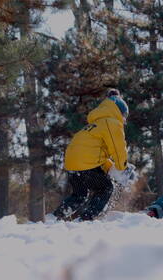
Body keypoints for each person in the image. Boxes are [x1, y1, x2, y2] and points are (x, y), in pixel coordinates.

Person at [53, 89, 136, 221]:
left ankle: (56, 217)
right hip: (86, 164)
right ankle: (87, 219)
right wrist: (122, 168)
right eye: (124, 116)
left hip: (72, 163)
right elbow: (118, 150)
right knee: (106, 188)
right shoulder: (112, 123)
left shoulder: (95, 124)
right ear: (120, 112)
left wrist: (111, 168)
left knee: (80, 195)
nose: (124, 120)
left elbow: (96, 155)